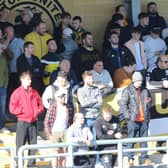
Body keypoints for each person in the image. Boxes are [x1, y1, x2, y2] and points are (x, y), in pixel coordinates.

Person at [9, 71, 44, 168]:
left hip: (33, 122)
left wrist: (37, 111)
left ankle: (31, 164)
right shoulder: (16, 93)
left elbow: (40, 104)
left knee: (33, 144)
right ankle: (18, 163)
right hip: (22, 122)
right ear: (22, 80)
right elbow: (12, 108)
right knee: (20, 144)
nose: (30, 81)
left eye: (30, 79)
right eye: (28, 79)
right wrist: (23, 110)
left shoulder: (34, 92)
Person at [119, 71, 151, 166]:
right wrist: (128, 117)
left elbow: (150, 100)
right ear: (133, 81)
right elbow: (123, 104)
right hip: (133, 120)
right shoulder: (127, 90)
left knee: (144, 140)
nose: (140, 83)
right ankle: (130, 158)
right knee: (131, 139)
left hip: (144, 119)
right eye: (138, 81)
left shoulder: (145, 90)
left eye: (140, 81)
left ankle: (144, 157)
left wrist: (148, 103)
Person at [44, 90, 69, 168]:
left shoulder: (67, 107)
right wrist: (49, 134)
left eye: (64, 96)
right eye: (62, 96)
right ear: (57, 98)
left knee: (64, 152)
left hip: (65, 132)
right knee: (55, 152)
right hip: (55, 132)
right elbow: (46, 121)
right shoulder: (53, 107)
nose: (63, 98)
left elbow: (70, 120)